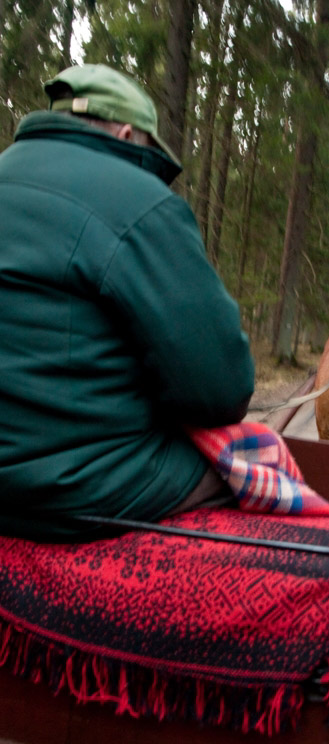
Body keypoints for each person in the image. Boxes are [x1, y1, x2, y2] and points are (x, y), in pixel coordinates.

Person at [0, 64, 255, 540]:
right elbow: (222, 392)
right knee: (252, 466)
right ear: (126, 133)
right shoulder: (142, 203)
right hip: (76, 491)